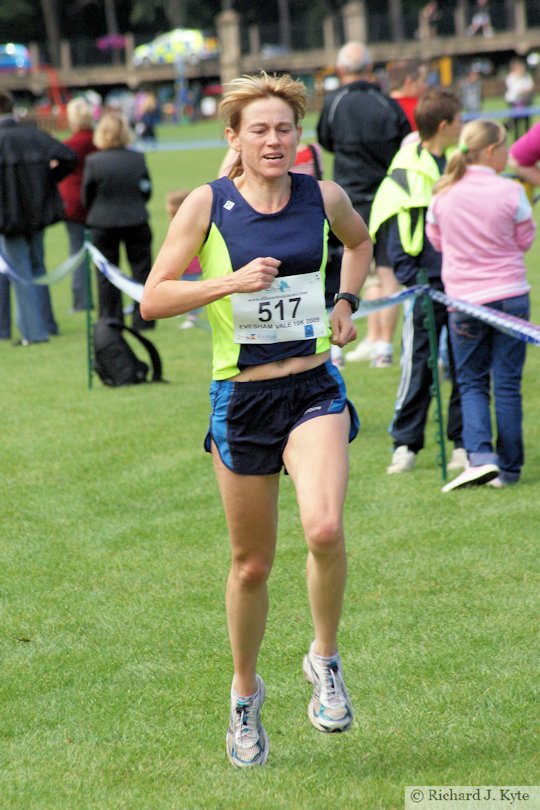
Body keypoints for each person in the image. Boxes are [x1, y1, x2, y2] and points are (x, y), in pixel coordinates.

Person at [141, 72, 373, 768]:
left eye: (285, 129)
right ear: (234, 138)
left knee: (325, 527)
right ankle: (245, 694)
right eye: (260, 130)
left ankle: (324, 659)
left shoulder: (322, 195)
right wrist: (229, 283)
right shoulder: (209, 206)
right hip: (240, 400)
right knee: (252, 564)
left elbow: (359, 246)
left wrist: (345, 304)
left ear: (299, 137)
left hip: (311, 388)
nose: (274, 140)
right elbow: (153, 298)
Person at [426, 120, 536, 492]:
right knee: (506, 383)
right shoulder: (510, 190)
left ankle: (480, 457)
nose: (509, 154)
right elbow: (525, 239)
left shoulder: (443, 194)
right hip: (511, 296)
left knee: (471, 381)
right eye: (504, 146)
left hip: (465, 302)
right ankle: (509, 468)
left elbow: (436, 241)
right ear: (490, 151)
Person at [369, 88, 464, 475]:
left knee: (464, 366)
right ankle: (405, 443)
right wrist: (415, 280)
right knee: (418, 362)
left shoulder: (461, 163)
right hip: (425, 283)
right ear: (444, 126)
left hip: (465, 284)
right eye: (460, 120)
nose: (464, 126)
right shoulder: (407, 171)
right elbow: (395, 235)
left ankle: (464, 443)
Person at [317, 41, 411, 367]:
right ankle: (383, 346)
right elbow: (404, 143)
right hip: (387, 198)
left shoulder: (334, 103)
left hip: (348, 200)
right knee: (386, 272)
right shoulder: (386, 103)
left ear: (341, 70)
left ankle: (337, 347)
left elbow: (327, 141)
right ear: (370, 70)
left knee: (345, 271)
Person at [0, 90, 77, 345]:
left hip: (8, 217)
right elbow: (68, 157)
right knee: (38, 269)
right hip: (36, 213)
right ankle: (46, 323)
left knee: (19, 271)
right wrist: (47, 183)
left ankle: (34, 333)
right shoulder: (33, 134)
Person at [82, 111, 154, 331]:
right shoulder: (137, 157)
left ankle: (110, 318)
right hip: (135, 219)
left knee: (106, 274)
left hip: (103, 223)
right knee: (141, 271)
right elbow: (146, 189)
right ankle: (144, 319)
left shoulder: (94, 161)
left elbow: (87, 195)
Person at [58, 97, 98, 312]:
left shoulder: (69, 146)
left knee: (77, 253)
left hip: (74, 205)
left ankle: (81, 301)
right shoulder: (99, 141)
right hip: (98, 203)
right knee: (102, 254)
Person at [165, 188, 203, 329]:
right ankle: (185, 311)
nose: (166, 207)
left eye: (169, 204)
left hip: (190, 266)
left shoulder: (186, 224)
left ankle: (192, 317)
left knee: (191, 292)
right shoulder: (177, 222)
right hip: (182, 266)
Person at [387, 59, 428, 131]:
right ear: (409, 82)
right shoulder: (421, 109)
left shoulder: (382, 106)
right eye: (423, 80)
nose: (426, 86)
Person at [505, 59, 534, 140]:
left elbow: (530, 87)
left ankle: (527, 139)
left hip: (526, 101)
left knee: (526, 121)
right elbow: (515, 89)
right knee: (516, 122)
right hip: (515, 102)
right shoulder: (511, 77)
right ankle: (517, 139)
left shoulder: (526, 76)